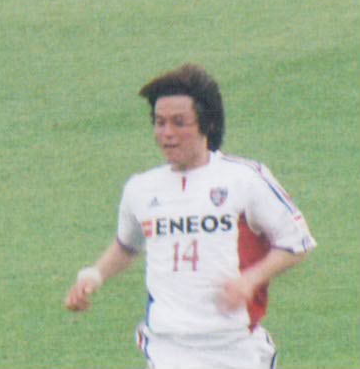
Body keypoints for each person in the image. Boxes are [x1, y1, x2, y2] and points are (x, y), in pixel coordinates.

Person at [63, 64, 315, 369]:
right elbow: (127, 245)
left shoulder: (244, 180)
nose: (167, 134)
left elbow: (296, 244)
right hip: (169, 344)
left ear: (206, 123)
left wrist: (250, 280)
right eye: (160, 123)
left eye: (179, 123)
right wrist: (93, 276)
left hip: (235, 344)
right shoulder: (141, 189)